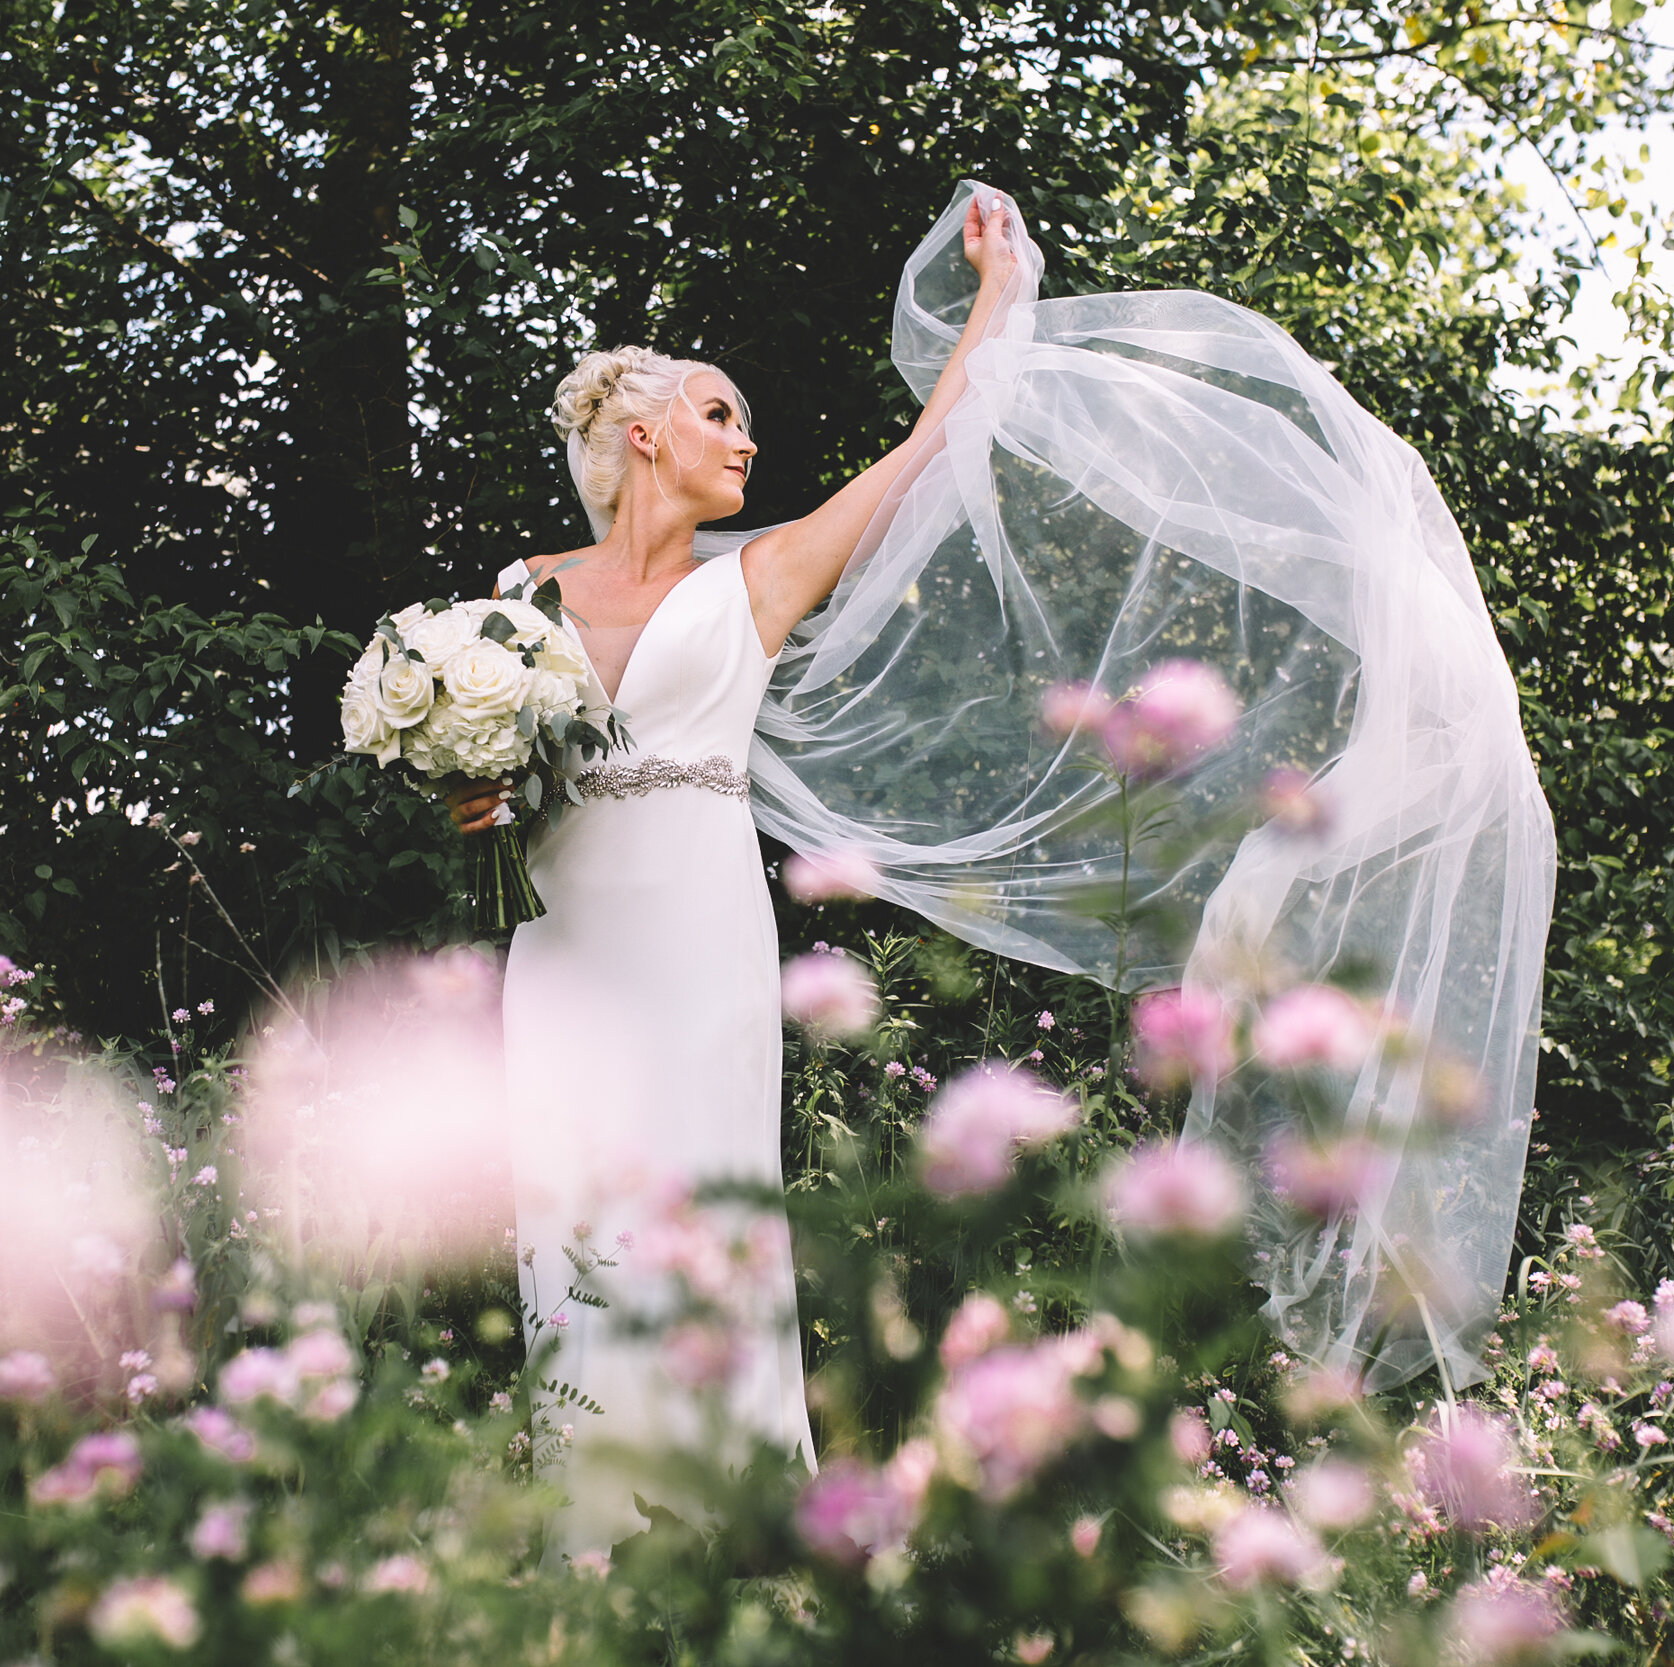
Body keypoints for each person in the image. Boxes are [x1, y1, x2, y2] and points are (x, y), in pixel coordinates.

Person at [443, 193, 1024, 1554]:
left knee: (708, 1212)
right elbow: (493, 775)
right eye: (719, 414)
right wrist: (472, 793)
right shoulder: (515, 595)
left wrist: (994, 298)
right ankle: (596, 1549)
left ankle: (745, 1543)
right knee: (574, 1224)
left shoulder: (759, 578)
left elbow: (925, 453)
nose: (745, 438)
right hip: (567, 946)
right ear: (642, 434)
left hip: (703, 939)